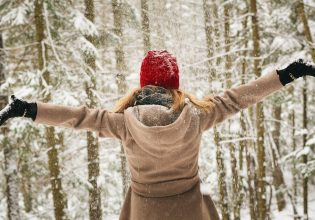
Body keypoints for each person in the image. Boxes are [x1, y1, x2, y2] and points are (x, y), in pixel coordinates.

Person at [0, 50, 315, 220]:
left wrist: (29, 109)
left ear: (142, 84)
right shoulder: (197, 116)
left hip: (144, 212)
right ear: (174, 84)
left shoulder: (124, 123)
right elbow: (237, 98)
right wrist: (287, 74)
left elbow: (79, 118)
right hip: (193, 211)